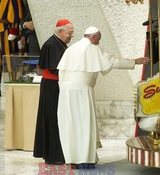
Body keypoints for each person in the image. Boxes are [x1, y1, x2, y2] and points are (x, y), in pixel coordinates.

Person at [56, 26, 148, 166]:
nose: (99, 41)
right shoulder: (91, 48)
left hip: (66, 91)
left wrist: (63, 90)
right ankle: (85, 160)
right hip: (82, 90)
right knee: (84, 123)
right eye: (98, 38)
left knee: (70, 124)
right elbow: (113, 61)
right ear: (93, 37)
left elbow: (61, 73)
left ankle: (72, 159)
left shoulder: (71, 49)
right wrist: (135, 61)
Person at [33, 19, 74, 165]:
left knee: (57, 119)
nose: (71, 36)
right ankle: (53, 155)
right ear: (61, 31)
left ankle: (57, 153)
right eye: (70, 33)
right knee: (52, 119)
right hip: (52, 86)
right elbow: (53, 69)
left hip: (55, 85)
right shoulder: (51, 44)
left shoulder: (59, 43)